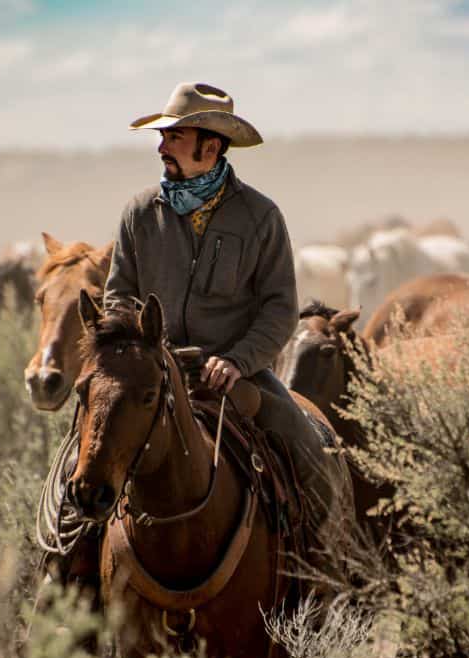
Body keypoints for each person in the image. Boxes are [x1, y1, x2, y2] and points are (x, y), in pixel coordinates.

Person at [105, 81, 338, 525]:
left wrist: (237, 360)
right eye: (163, 136)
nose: (161, 147)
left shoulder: (260, 216)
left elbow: (278, 308)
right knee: (83, 456)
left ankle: (321, 570)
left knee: (310, 453)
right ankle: (63, 568)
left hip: (237, 375)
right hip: (152, 372)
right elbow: (118, 296)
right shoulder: (139, 213)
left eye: (174, 137)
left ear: (210, 148)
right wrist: (139, 355)